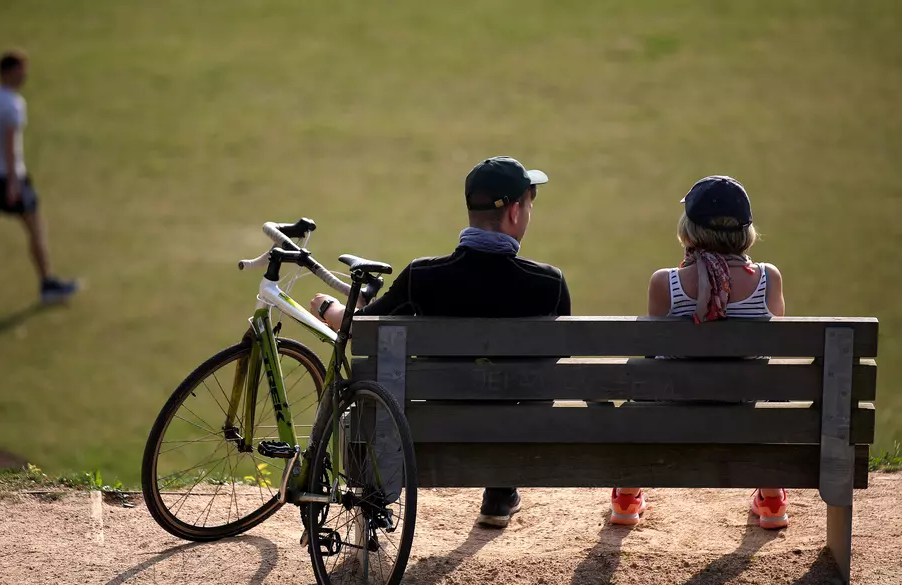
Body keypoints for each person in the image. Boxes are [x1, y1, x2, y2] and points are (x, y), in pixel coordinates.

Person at [310, 156, 570, 528]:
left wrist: (329, 308)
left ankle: (375, 501)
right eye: (529, 205)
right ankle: (499, 489)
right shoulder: (549, 284)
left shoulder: (422, 276)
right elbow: (559, 356)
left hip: (435, 430)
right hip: (516, 432)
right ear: (515, 213)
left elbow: (360, 328)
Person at [610, 175, 789, 529]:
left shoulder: (666, 282)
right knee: (767, 391)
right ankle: (771, 501)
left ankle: (628, 498)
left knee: (642, 383)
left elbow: (651, 352)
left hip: (674, 414)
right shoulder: (769, 278)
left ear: (688, 229)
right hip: (746, 414)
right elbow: (774, 345)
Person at [0, 50, 78, 313]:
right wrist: (13, 183)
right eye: (21, 71)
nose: (25, 76)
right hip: (9, 176)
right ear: (8, 72)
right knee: (36, 228)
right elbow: (11, 144)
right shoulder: (13, 103)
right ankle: (48, 284)